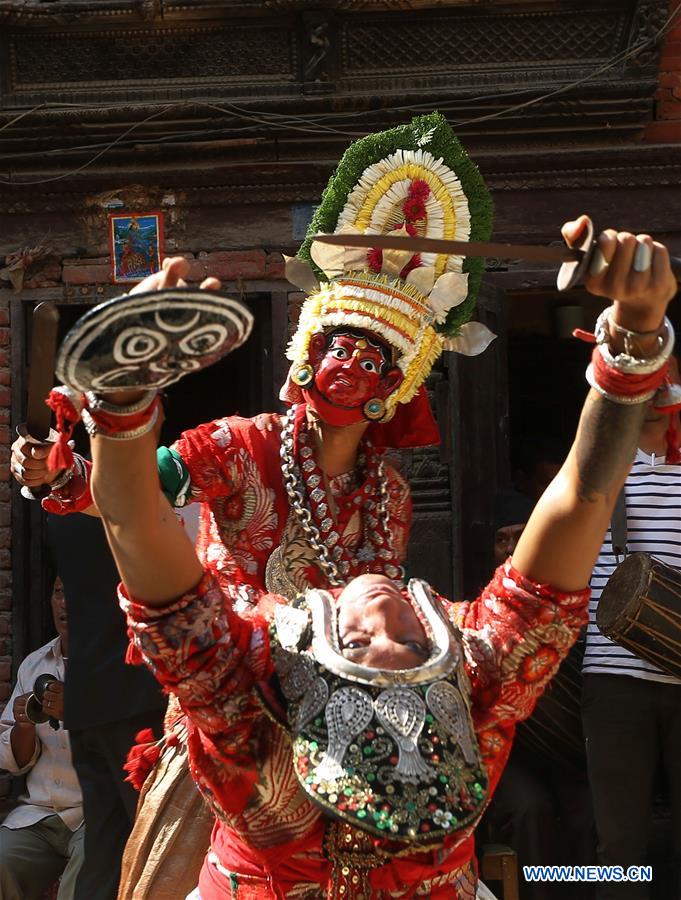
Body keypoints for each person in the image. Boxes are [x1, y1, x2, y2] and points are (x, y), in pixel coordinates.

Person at [41, 206, 678, 898]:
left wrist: (122, 395)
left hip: (243, 689)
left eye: (370, 360)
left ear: (391, 389)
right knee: (598, 834)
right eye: (410, 636)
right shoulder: (475, 681)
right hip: (260, 682)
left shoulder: (241, 715)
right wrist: (634, 339)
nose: (383, 604)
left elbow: (134, 516)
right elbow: (584, 496)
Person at [581, 347, 681, 899]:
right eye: (646, 377)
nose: (659, 386)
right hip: (614, 676)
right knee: (617, 848)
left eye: (668, 375)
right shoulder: (597, 464)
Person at [44, 513, 167, 900]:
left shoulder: (60, 510)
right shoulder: (123, 503)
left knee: (104, 850)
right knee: (155, 844)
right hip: (136, 698)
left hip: (87, 697)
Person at [484, 490, 597, 900]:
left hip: (570, 754)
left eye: (521, 534)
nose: (510, 547)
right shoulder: (480, 608)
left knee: (589, 818)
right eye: (501, 538)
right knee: (530, 811)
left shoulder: (568, 597)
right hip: (510, 756)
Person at [0, 577, 85, 900]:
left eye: (73, 591)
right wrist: (23, 725)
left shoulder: (113, 665)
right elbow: (15, 763)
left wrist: (74, 709)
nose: (65, 602)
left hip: (92, 814)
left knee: (84, 879)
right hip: (39, 813)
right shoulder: (34, 664)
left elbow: (126, 744)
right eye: (59, 592)